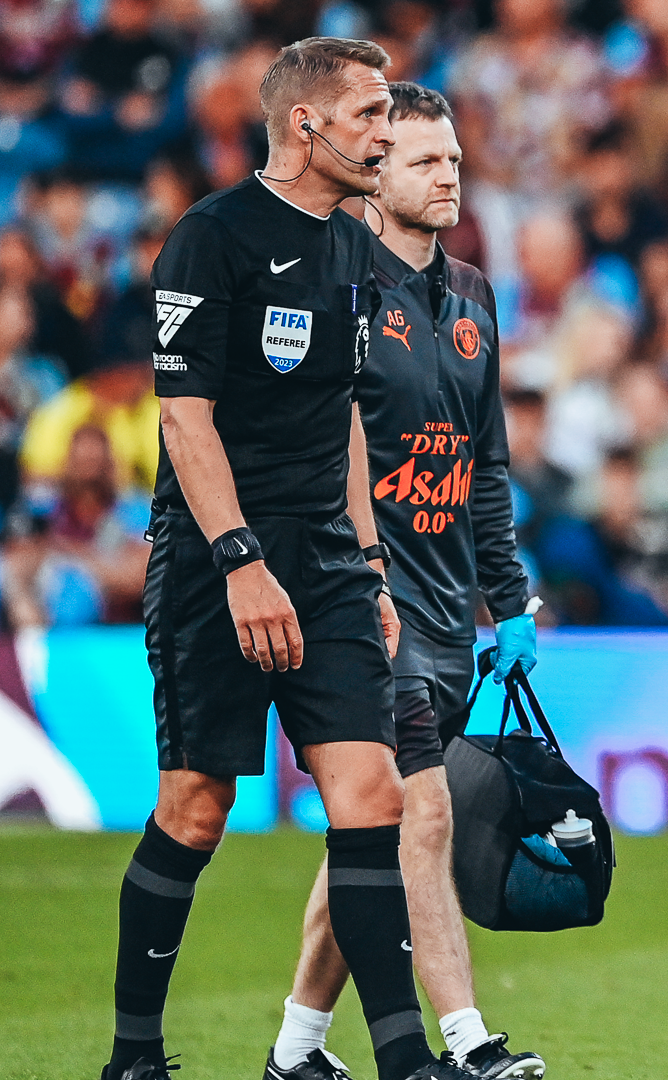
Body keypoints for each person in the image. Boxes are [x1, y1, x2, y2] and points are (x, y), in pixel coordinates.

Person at [107, 37, 466, 1080]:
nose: (385, 134)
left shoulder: (355, 246)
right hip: (215, 559)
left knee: (374, 796)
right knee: (198, 807)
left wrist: (370, 562)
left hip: (328, 562)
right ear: (306, 125)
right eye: (369, 115)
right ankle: (134, 1058)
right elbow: (185, 422)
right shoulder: (210, 239)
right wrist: (240, 561)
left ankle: (405, 1059)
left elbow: (343, 415)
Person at [265, 83, 543, 1080]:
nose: (448, 176)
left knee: (373, 830)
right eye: (425, 162)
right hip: (361, 604)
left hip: (448, 604)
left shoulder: (471, 293)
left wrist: (508, 602)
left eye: (454, 160)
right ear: (374, 176)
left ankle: (296, 1050)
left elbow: (485, 463)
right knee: (423, 813)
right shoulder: (335, 285)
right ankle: (467, 1039)